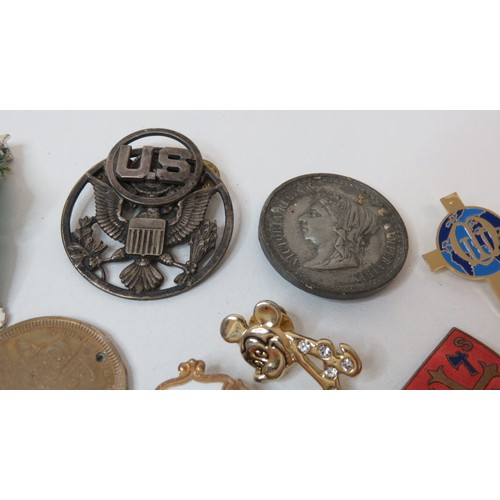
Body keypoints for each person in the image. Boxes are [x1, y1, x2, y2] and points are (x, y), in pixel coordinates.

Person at [298, 193, 382, 270]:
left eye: (314, 214)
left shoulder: (339, 264)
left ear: (340, 225)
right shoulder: (314, 263)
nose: (301, 219)